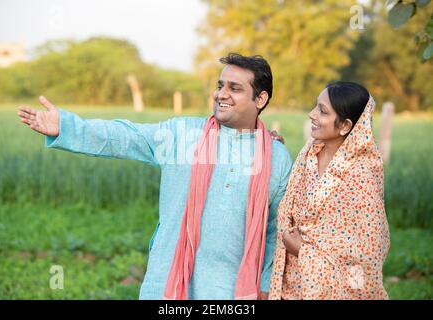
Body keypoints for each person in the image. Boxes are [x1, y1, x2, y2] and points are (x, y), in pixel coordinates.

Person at [17, 53, 293, 300]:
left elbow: (275, 231)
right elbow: (126, 137)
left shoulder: (277, 158)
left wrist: (266, 284)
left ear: (261, 99)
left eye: (235, 88)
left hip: (231, 288)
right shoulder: (182, 135)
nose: (222, 94)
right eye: (220, 85)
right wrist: (66, 126)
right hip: (168, 279)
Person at [269, 81, 390, 300]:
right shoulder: (310, 152)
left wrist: (303, 252)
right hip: (292, 286)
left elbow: (365, 260)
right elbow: (299, 198)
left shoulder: (361, 176)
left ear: (345, 125)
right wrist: (271, 148)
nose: (311, 114)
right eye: (316, 106)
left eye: (323, 111)